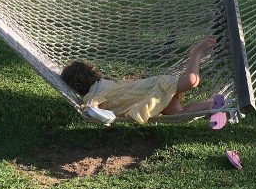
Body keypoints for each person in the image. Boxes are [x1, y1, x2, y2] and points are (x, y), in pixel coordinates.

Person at [61, 37, 218, 124]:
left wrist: (90, 110)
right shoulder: (106, 85)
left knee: (191, 81)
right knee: (179, 114)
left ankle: (195, 53)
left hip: (154, 89)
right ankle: (213, 104)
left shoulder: (96, 89)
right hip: (149, 99)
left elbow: (91, 104)